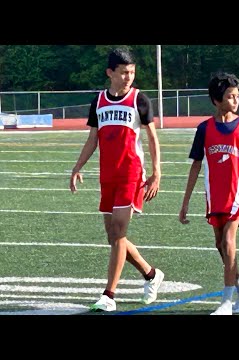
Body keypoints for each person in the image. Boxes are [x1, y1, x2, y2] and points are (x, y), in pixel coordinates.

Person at [69, 47, 164, 312]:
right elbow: (92, 139)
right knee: (114, 238)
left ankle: (109, 294)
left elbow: (152, 138)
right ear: (110, 73)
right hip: (107, 176)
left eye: (131, 72)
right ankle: (151, 274)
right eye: (123, 72)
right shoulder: (98, 101)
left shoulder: (139, 99)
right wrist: (77, 166)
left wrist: (157, 173)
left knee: (119, 233)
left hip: (131, 175)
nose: (128, 77)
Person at [179, 72, 239, 315]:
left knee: (228, 242)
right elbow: (195, 165)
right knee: (221, 245)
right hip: (214, 196)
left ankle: (226, 302)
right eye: (230, 96)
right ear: (217, 100)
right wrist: (184, 202)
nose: (235, 100)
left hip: (237, 196)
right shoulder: (204, 128)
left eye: (237, 96)